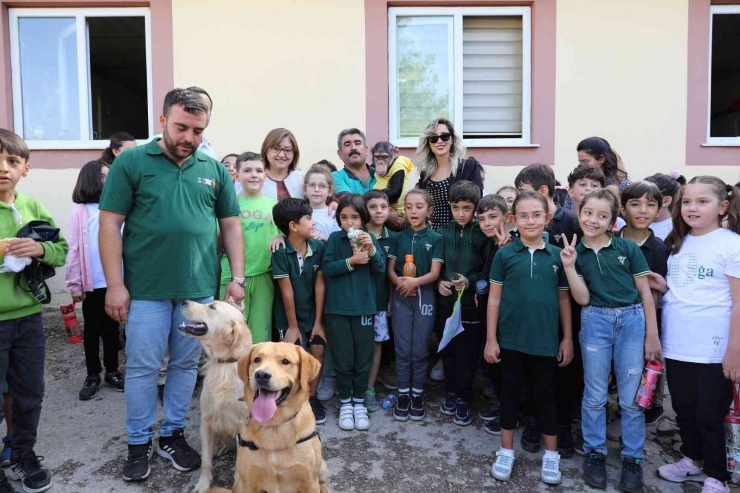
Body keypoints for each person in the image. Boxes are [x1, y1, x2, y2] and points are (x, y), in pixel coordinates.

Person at [99, 88, 244, 482]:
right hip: (145, 290)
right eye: (182, 127)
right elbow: (110, 222)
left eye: (198, 130)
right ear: (162, 120)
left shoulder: (212, 169)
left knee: (185, 365)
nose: (189, 138)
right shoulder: (131, 162)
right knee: (144, 367)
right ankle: (138, 441)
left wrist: (237, 278)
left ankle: (173, 434)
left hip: (198, 291)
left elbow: (230, 224)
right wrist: (115, 285)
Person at [560, 188, 660, 492]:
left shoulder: (627, 249)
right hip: (595, 321)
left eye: (603, 215)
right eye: (588, 212)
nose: (594, 220)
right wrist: (568, 265)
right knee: (594, 394)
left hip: (632, 322)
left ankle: (632, 459)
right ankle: (595, 453)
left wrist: (652, 335)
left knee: (631, 397)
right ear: (579, 213)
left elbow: (645, 292)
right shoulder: (577, 254)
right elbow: (583, 298)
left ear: (613, 220)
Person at [656, 177, 740, 493]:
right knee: (684, 408)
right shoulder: (679, 242)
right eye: (687, 201)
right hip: (678, 344)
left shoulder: (732, 244)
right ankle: (693, 460)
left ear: (723, 206)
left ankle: (718, 476)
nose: (692, 207)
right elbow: (685, 287)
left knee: (710, 414)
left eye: (702, 201)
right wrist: (662, 286)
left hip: (714, 348)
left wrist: (735, 350)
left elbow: (738, 302)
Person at [485, 191, 573, 485]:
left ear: (548, 218)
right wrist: (491, 339)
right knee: (509, 395)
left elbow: (564, 301)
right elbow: (494, 300)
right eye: (523, 215)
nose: (530, 220)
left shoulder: (558, 256)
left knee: (546, 398)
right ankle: (506, 451)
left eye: (537, 214)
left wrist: (567, 339)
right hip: (510, 341)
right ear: (512, 219)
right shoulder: (505, 254)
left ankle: (551, 456)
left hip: (546, 342)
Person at [0, 128, 69, 493]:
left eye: (12, 161)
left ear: (25, 168)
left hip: (27, 318)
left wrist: (40, 251)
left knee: (29, 393)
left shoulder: (31, 207)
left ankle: (23, 454)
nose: (4, 168)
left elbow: (61, 249)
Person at [322, 194, 385, 431]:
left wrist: (371, 250)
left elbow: (380, 268)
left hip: (364, 308)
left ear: (363, 218)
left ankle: (359, 402)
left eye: (355, 217)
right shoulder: (334, 239)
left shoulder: (370, 239)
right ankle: (346, 402)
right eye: (344, 217)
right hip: (337, 308)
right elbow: (327, 268)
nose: (350, 223)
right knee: (343, 357)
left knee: (362, 358)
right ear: (339, 219)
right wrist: (352, 260)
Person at [65, 160, 124, 401]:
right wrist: (75, 283)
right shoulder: (80, 211)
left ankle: (112, 370)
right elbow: (74, 249)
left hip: (115, 282)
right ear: (91, 179)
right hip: (92, 284)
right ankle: (92, 374)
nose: (108, 180)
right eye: (103, 176)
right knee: (92, 330)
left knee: (112, 330)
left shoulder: (117, 208)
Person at [386, 189, 443, 421]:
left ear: (429, 210)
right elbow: (390, 270)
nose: (413, 211)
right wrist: (401, 284)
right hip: (401, 296)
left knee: (419, 349)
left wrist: (414, 283)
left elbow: (435, 272)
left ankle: (417, 395)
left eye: (419, 206)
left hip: (424, 296)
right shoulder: (397, 238)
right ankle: (403, 394)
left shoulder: (436, 239)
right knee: (402, 349)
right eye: (408, 207)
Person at [437, 181, 491, 426]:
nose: (461, 213)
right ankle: (449, 392)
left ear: (475, 209)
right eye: (456, 208)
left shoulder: (483, 234)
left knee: (468, 353)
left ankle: (463, 398)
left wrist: (470, 282)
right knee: (448, 349)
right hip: (447, 302)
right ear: (449, 206)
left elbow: (488, 271)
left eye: (466, 208)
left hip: (471, 304)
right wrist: (439, 281)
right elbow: (436, 266)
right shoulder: (443, 232)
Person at [271, 198, 328, 425]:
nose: (313, 223)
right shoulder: (280, 251)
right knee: (290, 356)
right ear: (293, 226)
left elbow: (320, 285)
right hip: (288, 316)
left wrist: (318, 322)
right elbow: (287, 293)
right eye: (308, 219)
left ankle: (311, 397)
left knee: (317, 350)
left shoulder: (319, 247)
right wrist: (293, 326)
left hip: (313, 312)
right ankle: (294, 399)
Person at [618, 181, 670, 427]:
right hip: (611, 317)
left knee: (645, 366)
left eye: (650, 205)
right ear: (622, 208)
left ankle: (646, 408)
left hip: (645, 319)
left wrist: (652, 332)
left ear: (658, 210)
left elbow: (655, 292)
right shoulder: (612, 240)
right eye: (635, 203)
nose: (642, 210)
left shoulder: (659, 248)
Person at [219, 152, 279, 344]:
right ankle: (227, 375)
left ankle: (254, 374)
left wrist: (279, 235)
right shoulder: (228, 205)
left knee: (260, 334)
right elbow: (218, 241)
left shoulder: (274, 206)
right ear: (236, 175)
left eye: (259, 170)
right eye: (247, 170)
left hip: (264, 275)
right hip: (232, 276)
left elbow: (286, 237)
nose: (254, 175)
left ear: (266, 174)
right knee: (229, 334)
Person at [475, 194, 510, 435]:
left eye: (493, 217)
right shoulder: (489, 242)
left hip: (507, 314)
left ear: (507, 217)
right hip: (488, 308)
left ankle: (510, 413)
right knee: (493, 362)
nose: (487, 223)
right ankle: (501, 403)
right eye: (482, 219)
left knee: (506, 363)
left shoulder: (509, 244)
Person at [415, 118, 483, 232]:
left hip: (460, 233)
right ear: (428, 143)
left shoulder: (468, 167)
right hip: (433, 236)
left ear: (452, 139)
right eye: (433, 138)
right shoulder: (425, 175)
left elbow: (478, 199)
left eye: (444, 136)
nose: (439, 141)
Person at [361, 190, 394, 412]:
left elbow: (392, 272)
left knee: (376, 345)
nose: (379, 211)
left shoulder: (394, 238)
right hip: (357, 302)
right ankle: (355, 386)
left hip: (381, 302)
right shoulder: (356, 234)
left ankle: (370, 388)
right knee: (357, 345)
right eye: (373, 207)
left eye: (383, 206)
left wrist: (391, 299)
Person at [370, 141, 414, 216]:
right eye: (377, 157)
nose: (380, 162)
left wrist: (370, 198)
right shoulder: (374, 165)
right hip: (382, 208)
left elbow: (394, 194)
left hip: (398, 212)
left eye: (384, 157)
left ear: (395, 153)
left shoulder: (399, 165)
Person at [261, 128, 305, 201]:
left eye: (287, 150)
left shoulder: (303, 179)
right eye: (276, 149)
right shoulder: (254, 179)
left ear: (294, 153)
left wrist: (331, 203)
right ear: (266, 151)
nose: (281, 155)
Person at [333, 128, 376, 197]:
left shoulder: (381, 174)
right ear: (340, 154)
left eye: (357, 143)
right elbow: (349, 204)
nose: (353, 148)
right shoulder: (335, 177)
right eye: (347, 144)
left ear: (366, 150)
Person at [304, 166, 340, 242]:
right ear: (305, 189)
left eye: (322, 186)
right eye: (312, 185)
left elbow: (339, 244)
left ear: (329, 191)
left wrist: (325, 239)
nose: (316, 189)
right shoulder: (299, 213)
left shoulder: (334, 215)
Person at [644, 173, 682, 241]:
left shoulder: (678, 229)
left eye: (649, 203)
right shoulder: (634, 223)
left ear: (666, 201)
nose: (641, 209)